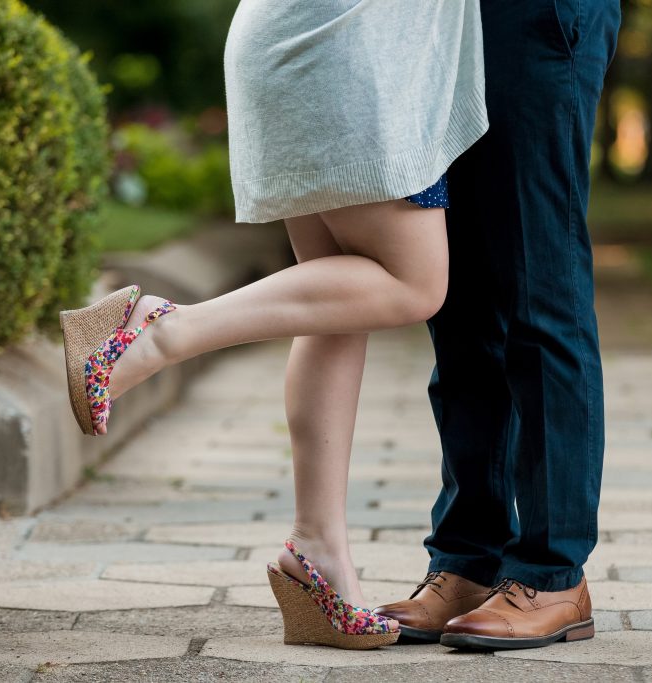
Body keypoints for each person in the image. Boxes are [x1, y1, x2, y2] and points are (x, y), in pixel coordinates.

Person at [59, 0, 487, 651]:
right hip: (354, 59)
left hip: (314, 44)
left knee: (334, 301)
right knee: (413, 282)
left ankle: (320, 557)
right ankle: (158, 329)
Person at [375, 0, 621, 651]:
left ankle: (551, 572)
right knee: (457, 306)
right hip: (441, 22)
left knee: (542, 283)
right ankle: (467, 559)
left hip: (535, 14)